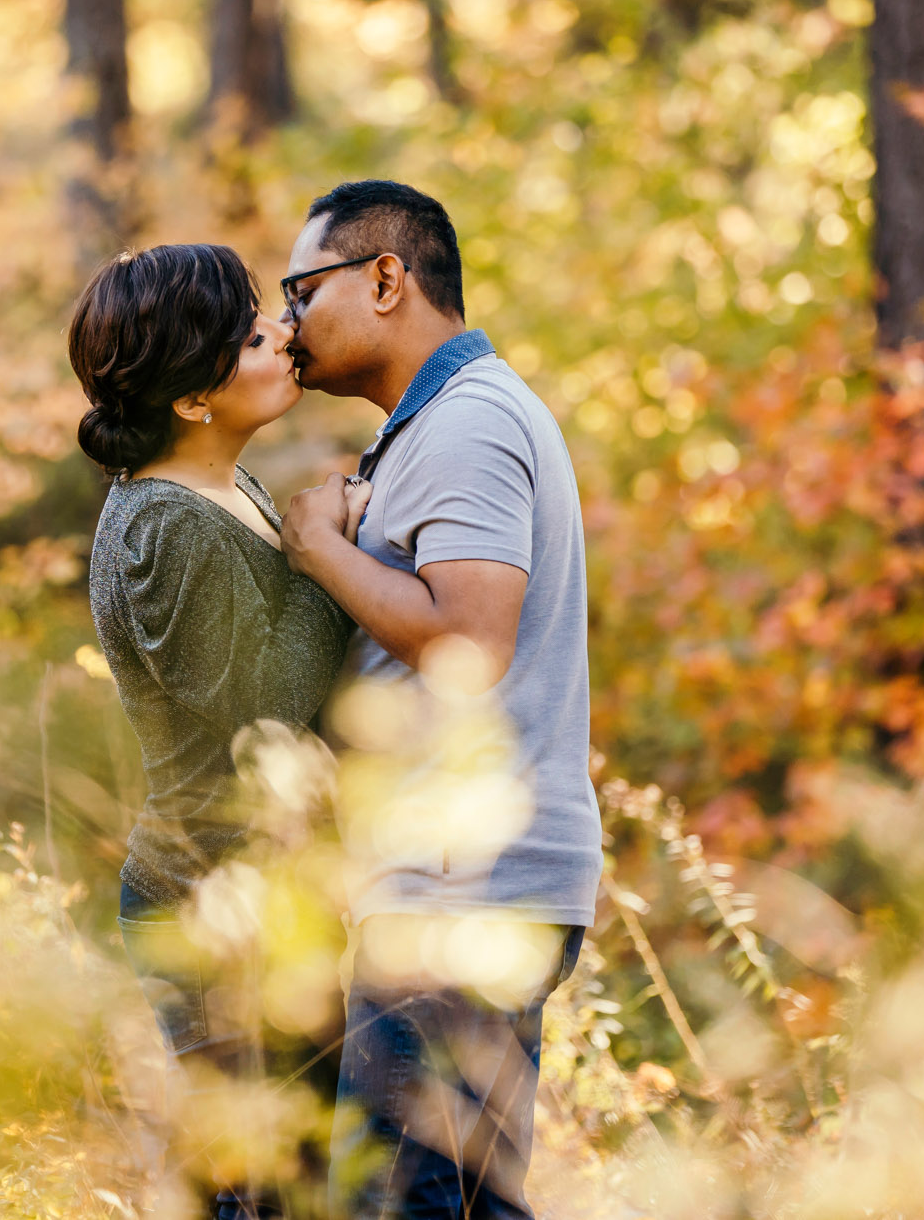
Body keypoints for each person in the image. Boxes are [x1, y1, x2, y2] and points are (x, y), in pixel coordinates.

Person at [276, 180, 603, 1219]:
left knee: (403, 1203)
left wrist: (320, 548)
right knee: (460, 1199)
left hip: (459, 889)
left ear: (383, 279)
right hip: (456, 883)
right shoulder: (437, 425)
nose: (286, 324)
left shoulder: (467, 422)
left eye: (300, 290)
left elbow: (466, 639)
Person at [68, 242, 367, 1219]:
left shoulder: (213, 488)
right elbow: (266, 714)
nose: (281, 332)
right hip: (208, 906)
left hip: (258, 897)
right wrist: (322, 555)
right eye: (248, 335)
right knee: (264, 1193)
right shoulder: (163, 526)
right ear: (192, 398)